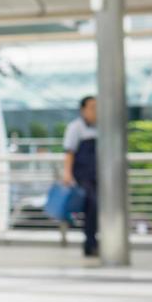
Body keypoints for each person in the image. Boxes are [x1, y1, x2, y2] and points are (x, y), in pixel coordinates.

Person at [62, 94, 100, 258]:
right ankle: (90, 243)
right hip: (83, 176)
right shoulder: (75, 127)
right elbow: (69, 152)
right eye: (92, 107)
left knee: (98, 209)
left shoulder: (101, 127)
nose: (96, 111)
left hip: (99, 175)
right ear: (82, 110)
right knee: (92, 207)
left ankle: (93, 242)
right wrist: (67, 174)